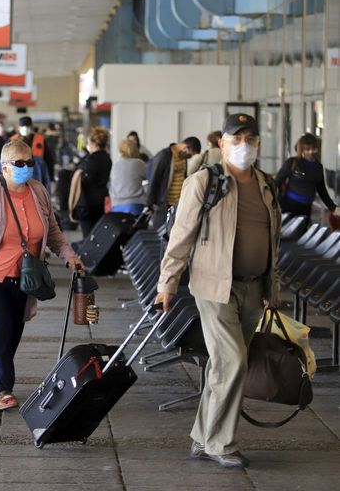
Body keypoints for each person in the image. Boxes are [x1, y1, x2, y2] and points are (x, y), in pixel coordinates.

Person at [155, 113, 281, 469]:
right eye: (236, 139)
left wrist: (273, 286)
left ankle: (201, 436)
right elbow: (181, 236)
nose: (244, 145)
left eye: (250, 139)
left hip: (254, 288)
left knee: (222, 367)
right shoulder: (204, 182)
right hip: (214, 286)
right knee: (232, 361)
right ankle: (221, 443)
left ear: (258, 144)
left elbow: (275, 242)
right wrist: (167, 284)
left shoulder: (267, 185)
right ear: (222, 143)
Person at [0, 140, 84, 410]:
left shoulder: (38, 192)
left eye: (30, 163)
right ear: (5, 168)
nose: (27, 168)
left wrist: (70, 256)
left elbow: (54, 233)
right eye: (19, 164)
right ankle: (3, 390)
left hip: (25, 279)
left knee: (11, 334)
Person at [275, 133, 339, 218]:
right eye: (307, 149)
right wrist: (274, 203)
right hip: (288, 206)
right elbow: (276, 183)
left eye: (314, 148)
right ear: (302, 150)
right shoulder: (292, 163)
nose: (311, 152)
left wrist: (333, 208)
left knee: (302, 230)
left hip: (306, 208)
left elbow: (322, 191)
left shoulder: (318, 167)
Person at [146, 136, 202, 226]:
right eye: (190, 154)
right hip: (163, 206)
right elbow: (154, 179)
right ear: (185, 147)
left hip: (178, 205)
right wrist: (149, 204)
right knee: (161, 235)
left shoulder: (182, 158)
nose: (189, 157)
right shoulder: (164, 155)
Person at [71, 127, 112, 236]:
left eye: (89, 142)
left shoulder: (92, 159)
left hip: (88, 203)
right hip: (101, 200)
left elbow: (86, 179)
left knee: (88, 236)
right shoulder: (107, 158)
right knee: (97, 234)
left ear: (94, 143)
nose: (88, 144)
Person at [12, 116, 55, 185]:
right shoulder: (12, 141)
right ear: (19, 127)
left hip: (37, 177)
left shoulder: (40, 140)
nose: (25, 128)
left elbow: (49, 160)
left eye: (27, 126)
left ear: (31, 126)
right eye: (23, 126)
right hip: (17, 179)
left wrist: (51, 177)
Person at [109, 138, 147, 216]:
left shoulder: (115, 165)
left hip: (116, 205)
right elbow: (149, 179)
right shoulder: (140, 164)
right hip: (136, 203)